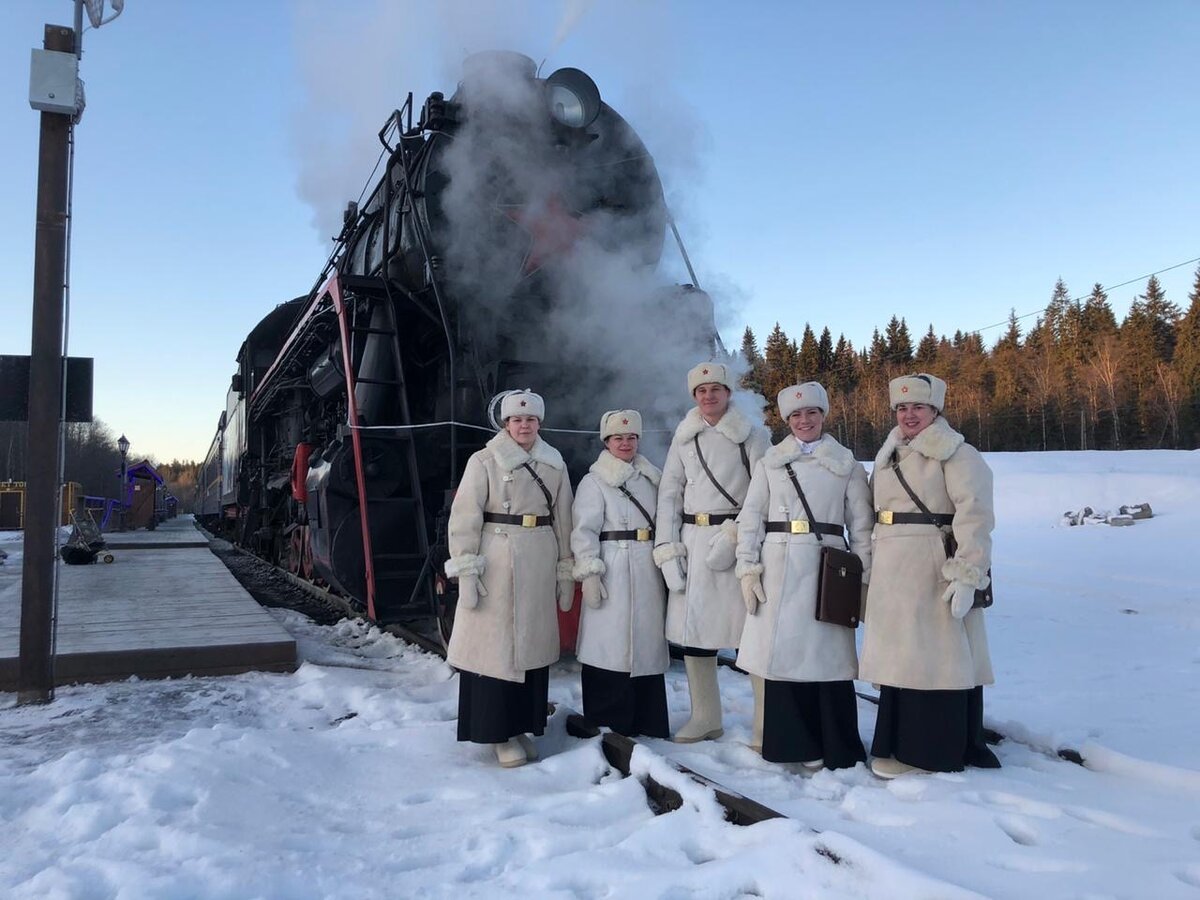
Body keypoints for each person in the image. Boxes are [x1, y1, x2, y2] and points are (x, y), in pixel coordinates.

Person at [860, 373, 1001, 778]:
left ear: (935, 410)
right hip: (892, 567)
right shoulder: (890, 454)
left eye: (918, 407)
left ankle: (929, 752)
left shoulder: (958, 454)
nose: (909, 415)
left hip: (931, 568)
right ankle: (895, 741)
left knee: (934, 659)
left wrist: (967, 573)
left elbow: (975, 515)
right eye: (902, 408)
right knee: (902, 659)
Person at [735, 383, 873, 770]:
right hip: (778, 565)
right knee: (782, 660)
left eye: (811, 413)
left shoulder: (846, 463)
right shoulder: (770, 461)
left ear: (824, 416)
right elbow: (751, 518)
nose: (804, 420)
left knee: (826, 659)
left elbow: (861, 526)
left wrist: (861, 580)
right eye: (796, 415)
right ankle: (792, 744)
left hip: (826, 568)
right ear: (786, 420)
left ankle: (834, 744)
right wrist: (747, 566)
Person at [443, 390, 575, 768]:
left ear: (539, 423)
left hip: (539, 555)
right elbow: (465, 516)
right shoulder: (483, 460)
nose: (524, 425)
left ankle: (520, 726)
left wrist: (565, 567)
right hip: (496, 559)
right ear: (505, 424)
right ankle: (497, 733)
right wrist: (466, 568)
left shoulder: (555, 463)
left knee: (529, 651)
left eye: (531, 420)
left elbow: (563, 517)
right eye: (517, 420)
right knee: (496, 652)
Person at [655, 361, 770, 742]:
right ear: (694, 396)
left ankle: (765, 724)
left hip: (735, 540)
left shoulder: (751, 435)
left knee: (750, 636)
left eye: (715, 389)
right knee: (696, 636)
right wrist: (668, 548)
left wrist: (740, 536)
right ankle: (706, 717)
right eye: (701, 391)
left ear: (728, 393)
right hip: (692, 541)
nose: (709, 396)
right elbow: (670, 494)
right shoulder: (683, 437)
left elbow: (763, 491)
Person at [570, 409, 670, 737]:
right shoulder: (593, 482)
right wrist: (590, 571)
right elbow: (583, 530)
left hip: (646, 566)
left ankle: (648, 718)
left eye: (631, 437)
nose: (625, 443)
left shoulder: (653, 480)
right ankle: (608, 718)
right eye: (618, 438)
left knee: (646, 645)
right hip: (611, 565)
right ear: (607, 442)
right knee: (608, 646)